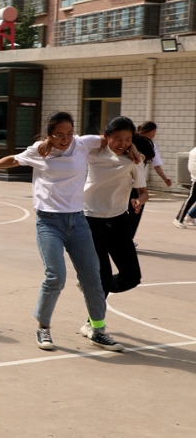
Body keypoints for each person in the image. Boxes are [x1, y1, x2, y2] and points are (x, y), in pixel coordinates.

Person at [0, 111, 124, 352]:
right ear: (49, 135)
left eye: (69, 133)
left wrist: (133, 148)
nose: (66, 139)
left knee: (92, 277)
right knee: (56, 276)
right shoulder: (39, 150)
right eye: (59, 135)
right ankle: (43, 327)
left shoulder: (83, 143)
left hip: (78, 222)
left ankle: (98, 330)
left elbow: (112, 138)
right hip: (49, 222)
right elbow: (14, 159)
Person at [82, 116, 148, 338]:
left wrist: (139, 200)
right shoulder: (92, 153)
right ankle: (93, 323)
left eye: (128, 139)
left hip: (119, 221)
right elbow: (74, 142)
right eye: (117, 138)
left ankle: (92, 287)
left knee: (132, 277)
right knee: (102, 275)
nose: (123, 143)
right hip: (91, 219)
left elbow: (144, 192)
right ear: (106, 136)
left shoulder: (134, 161)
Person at [173, 146, 196, 228]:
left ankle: (191, 216)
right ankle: (178, 219)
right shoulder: (194, 152)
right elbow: (192, 168)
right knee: (190, 199)